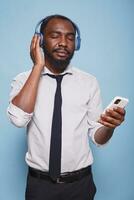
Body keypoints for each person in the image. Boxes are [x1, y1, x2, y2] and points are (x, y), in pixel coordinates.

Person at [7, 14, 125, 200]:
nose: (64, 42)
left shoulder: (89, 82)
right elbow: (18, 119)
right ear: (39, 41)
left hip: (81, 185)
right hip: (40, 187)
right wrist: (38, 66)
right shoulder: (23, 80)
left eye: (70, 37)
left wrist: (110, 126)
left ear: (76, 44)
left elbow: (98, 138)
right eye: (55, 35)